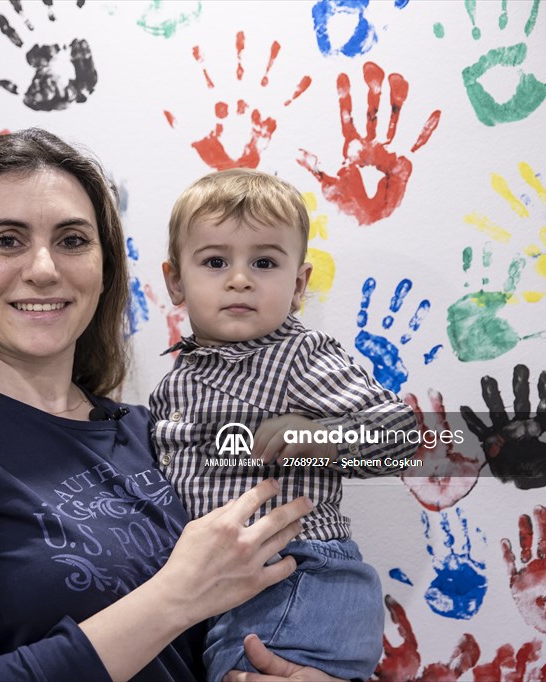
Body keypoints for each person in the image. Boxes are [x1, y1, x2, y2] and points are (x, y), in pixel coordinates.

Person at [0, 128, 335, 681]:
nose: (44, 268)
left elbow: (367, 448)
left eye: (72, 240)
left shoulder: (155, 432)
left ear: (104, 269)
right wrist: (177, 596)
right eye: (6, 240)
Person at [151, 169, 419, 681]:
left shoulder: (301, 356)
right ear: (176, 281)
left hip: (299, 578)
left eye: (265, 262)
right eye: (214, 261)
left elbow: (401, 435)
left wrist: (322, 437)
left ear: (298, 284)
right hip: (222, 588)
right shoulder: (174, 383)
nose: (239, 278)